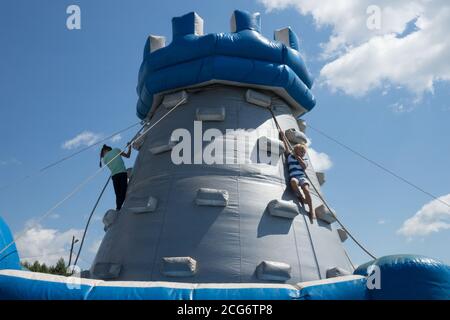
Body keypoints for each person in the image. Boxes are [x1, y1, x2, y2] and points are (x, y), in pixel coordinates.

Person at [280, 133, 315, 220]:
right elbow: (286, 147)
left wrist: (299, 158)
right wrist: (283, 137)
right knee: (293, 182)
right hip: (294, 176)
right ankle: (301, 197)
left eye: (304, 152)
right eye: (301, 151)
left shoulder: (304, 160)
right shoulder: (290, 156)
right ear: (296, 150)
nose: (303, 153)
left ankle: (311, 210)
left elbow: (304, 166)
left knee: (306, 190)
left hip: (302, 176)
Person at [100, 144, 132, 210]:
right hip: (122, 173)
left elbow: (103, 157)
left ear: (105, 151)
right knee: (123, 192)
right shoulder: (116, 150)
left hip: (115, 176)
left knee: (118, 195)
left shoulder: (104, 159)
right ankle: (120, 208)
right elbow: (128, 156)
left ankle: (118, 209)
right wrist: (130, 147)